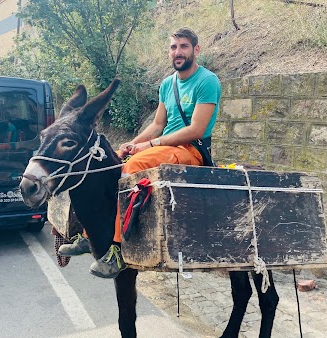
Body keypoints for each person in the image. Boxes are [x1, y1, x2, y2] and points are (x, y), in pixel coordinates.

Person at [58, 27, 222, 278]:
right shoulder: (168, 84)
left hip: (190, 151)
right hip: (165, 147)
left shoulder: (207, 81)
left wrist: (151, 146)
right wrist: (132, 144)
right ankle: (90, 235)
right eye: (173, 47)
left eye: (184, 46)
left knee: (131, 168)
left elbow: (197, 129)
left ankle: (116, 251)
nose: (178, 52)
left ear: (196, 50)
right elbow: (157, 124)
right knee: (104, 162)